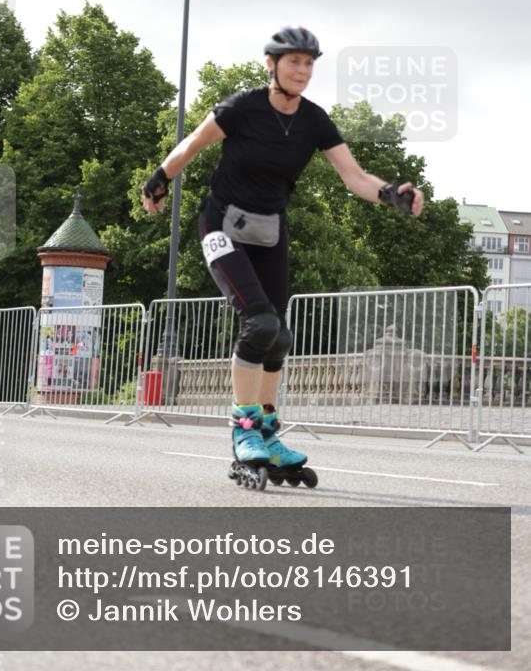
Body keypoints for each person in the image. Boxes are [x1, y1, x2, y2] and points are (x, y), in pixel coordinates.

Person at [142, 26, 424, 486]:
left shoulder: (314, 120)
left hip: (269, 232)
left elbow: (353, 176)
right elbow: (191, 146)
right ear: (271, 64)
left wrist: (392, 193)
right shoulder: (241, 108)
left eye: (310, 63)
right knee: (260, 324)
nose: (303, 71)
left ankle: (268, 436)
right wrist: (158, 180)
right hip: (223, 224)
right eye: (294, 61)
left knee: (279, 338)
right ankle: (244, 431)